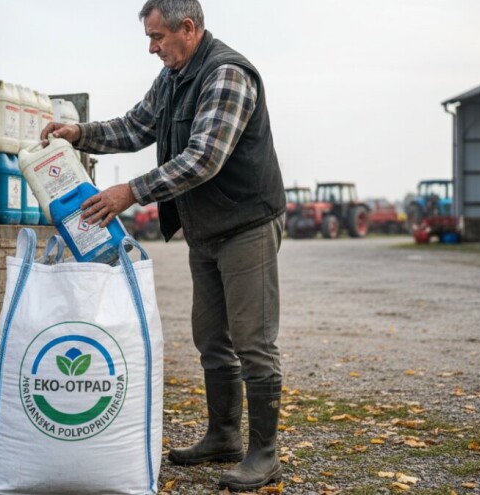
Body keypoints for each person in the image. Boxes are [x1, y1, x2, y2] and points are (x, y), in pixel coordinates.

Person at [40, 0, 286, 490]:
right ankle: (223, 437)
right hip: (207, 228)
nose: (152, 48)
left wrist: (129, 192)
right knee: (211, 339)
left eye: (157, 37)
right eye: (149, 39)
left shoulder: (227, 75)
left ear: (188, 28)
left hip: (247, 223)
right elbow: (136, 126)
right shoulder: (174, 76)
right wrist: (81, 134)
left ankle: (265, 455)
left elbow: (203, 159)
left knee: (252, 343)